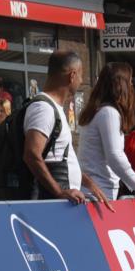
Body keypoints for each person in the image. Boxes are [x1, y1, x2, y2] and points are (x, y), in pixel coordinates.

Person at [21, 50, 111, 207]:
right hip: (54, 205)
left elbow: (57, 156)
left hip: (62, 203)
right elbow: (31, 155)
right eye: (81, 75)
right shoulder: (44, 109)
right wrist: (59, 191)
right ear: (72, 75)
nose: (82, 80)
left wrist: (89, 184)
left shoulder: (53, 108)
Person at [78, 62, 135, 214]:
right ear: (122, 85)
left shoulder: (98, 111)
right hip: (99, 193)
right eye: (131, 81)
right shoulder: (109, 113)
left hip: (97, 190)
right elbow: (115, 156)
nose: (133, 87)